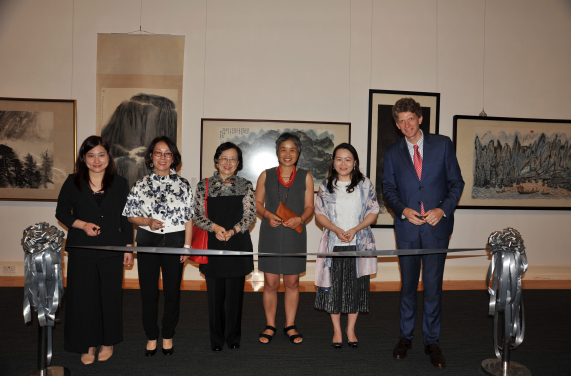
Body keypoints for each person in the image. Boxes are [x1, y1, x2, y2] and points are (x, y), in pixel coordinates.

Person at [382, 98, 465, 368]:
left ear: (420, 119)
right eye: (401, 121)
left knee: (432, 288)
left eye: (410, 119)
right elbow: (389, 190)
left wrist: (442, 210)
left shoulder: (442, 145)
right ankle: (405, 337)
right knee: (407, 287)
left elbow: (456, 183)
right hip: (407, 229)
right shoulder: (393, 152)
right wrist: (403, 210)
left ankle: (432, 341)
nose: (406, 125)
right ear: (396, 125)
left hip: (436, 229)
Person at [55, 135, 133, 365]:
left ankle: (107, 342)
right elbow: (61, 213)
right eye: (91, 155)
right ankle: (87, 343)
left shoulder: (120, 183)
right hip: (82, 248)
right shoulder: (72, 181)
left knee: (109, 297)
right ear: (83, 158)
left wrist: (128, 247)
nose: (96, 160)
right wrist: (82, 224)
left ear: (108, 157)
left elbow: (125, 218)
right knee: (82, 297)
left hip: (112, 247)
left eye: (101, 154)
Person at [122, 136, 193, 357]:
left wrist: (187, 246)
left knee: (172, 293)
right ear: (151, 157)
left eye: (167, 153)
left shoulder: (183, 185)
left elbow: (188, 219)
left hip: (175, 243)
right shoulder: (140, 184)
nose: (163, 157)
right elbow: (131, 216)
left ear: (174, 158)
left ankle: (168, 335)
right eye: (158, 153)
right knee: (149, 294)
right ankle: (152, 336)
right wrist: (147, 222)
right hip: (147, 243)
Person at [314, 143, 379, 349]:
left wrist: (356, 228)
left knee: (355, 289)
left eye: (348, 159)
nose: (343, 163)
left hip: (358, 243)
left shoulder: (365, 185)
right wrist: (335, 229)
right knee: (334, 289)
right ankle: (336, 330)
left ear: (355, 162)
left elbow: (373, 211)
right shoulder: (325, 186)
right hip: (334, 244)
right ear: (333, 162)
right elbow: (319, 214)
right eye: (339, 159)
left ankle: (350, 329)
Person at [193, 142, 256, 351]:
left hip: (237, 243)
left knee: (235, 297)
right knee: (214, 298)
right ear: (216, 160)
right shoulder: (204, 185)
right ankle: (217, 340)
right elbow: (197, 216)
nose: (228, 163)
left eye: (233, 159)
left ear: (238, 163)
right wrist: (216, 227)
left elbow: (250, 215)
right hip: (213, 244)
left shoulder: (245, 185)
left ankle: (234, 338)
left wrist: (233, 230)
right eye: (224, 158)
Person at [255, 132, 314, 344]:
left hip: (294, 233)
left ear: (298, 153)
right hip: (270, 232)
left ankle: (290, 325)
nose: (287, 154)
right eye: (283, 149)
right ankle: (270, 325)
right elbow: (257, 203)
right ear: (277, 152)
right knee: (270, 283)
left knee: (292, 281)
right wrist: (268, 215)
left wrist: (300, 219)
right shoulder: (266, 175)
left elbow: (310, 207)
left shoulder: (306, 176)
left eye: (292, 150)